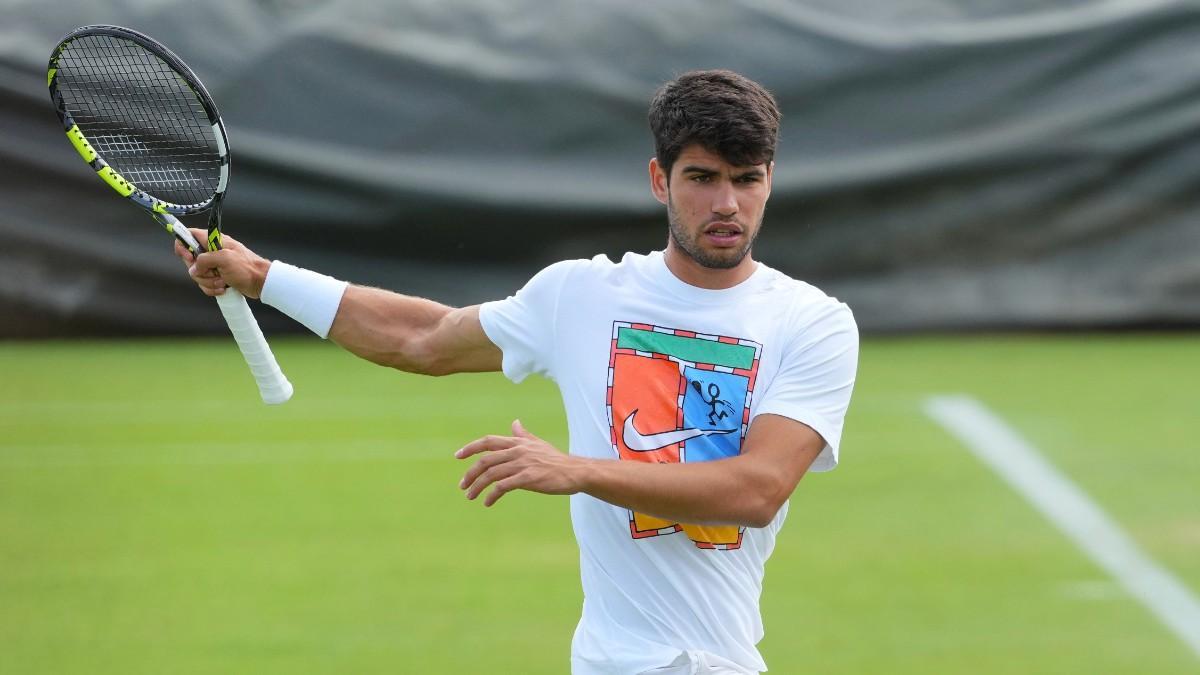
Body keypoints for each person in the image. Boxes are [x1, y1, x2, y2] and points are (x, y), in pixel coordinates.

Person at [179, 69, 858, 675]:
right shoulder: (579, 294)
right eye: (703, 178)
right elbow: (422, 338)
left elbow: (758, 488)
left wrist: (580, 471)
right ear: (660, 180)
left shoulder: (812, 322)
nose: (728, 205)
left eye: (748, 179)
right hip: (604, 659)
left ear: (770, 178)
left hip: (714, 661)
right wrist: (263, 277)